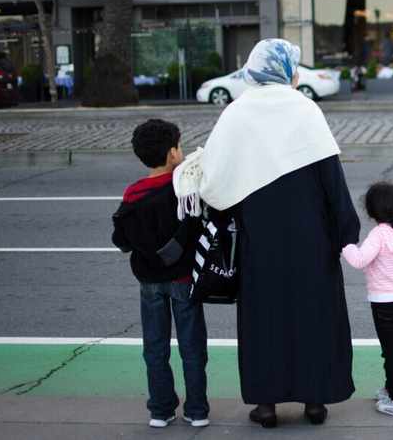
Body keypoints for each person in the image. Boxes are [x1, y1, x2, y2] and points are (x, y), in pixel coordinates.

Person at [172, 39, 360, 429]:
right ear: (287, 70)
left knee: (264, 321)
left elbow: (215, 184)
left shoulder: (237, 113)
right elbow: (331, 178)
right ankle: (315, 400)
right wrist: (346, 231)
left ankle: (267, 405)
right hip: (313, 239)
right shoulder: (305, 109)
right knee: (315, 317)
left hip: (260, 241)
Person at [111, 119, 209, 429]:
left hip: (149, 282)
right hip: (183, 279)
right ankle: (196, 411)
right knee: (192, 348)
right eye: (179, 146)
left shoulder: (133, 194)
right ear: (172, 154)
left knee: (155, 347)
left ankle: (160, 410)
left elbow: (121, 240)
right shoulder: (184, 190)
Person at [342, 182, 393, 417]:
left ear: (370, 212)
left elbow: (359, 260)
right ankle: (390, 388)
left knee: (392, 352)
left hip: (384, 304)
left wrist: (344, 244)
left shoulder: (378, 235)